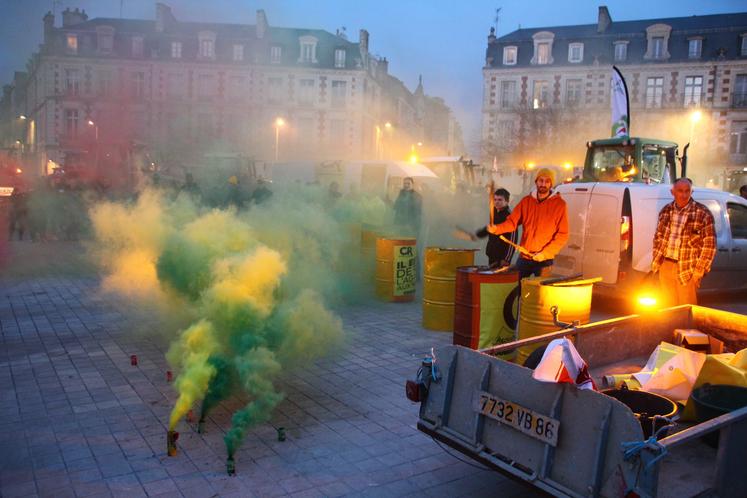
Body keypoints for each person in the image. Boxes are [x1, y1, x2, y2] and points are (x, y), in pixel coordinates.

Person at [487, 168, 569, 279]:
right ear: (536, 182)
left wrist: (545, 253)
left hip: (544, 260)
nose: (543, 184)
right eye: (541, 180)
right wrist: (497, 229)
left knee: (541, 292)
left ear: (551, 184)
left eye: (547, 181)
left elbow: (562, 234)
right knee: (515, 286)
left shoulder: (559, 205)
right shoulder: (526, 201)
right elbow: (512, 222)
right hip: (525, 257)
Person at [651, 177, 716, 306]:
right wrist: (657, 263)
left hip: (687, 268)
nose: (684, 194)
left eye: (687, 191)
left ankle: (685, 327)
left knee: (685, 309)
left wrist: (698, 271)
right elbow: (658, 237)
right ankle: (669, 327)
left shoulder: (702, 213)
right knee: (666, 308)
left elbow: (709, 246)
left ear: (692, 192)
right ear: (672, 192)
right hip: (666, 265)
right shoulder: (666, 211)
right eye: (680, 191)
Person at [473, 188, 517, 267]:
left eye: (500, 200)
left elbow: (513, 241)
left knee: (499, 279)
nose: (496, 202)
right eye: (495, 199)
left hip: (502, 258)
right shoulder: (494, 211)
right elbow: (492, 228)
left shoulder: (510, 217)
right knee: (491, 278)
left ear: (507, 201)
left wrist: (507, 259)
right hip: (492, 255)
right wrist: (480, 234)